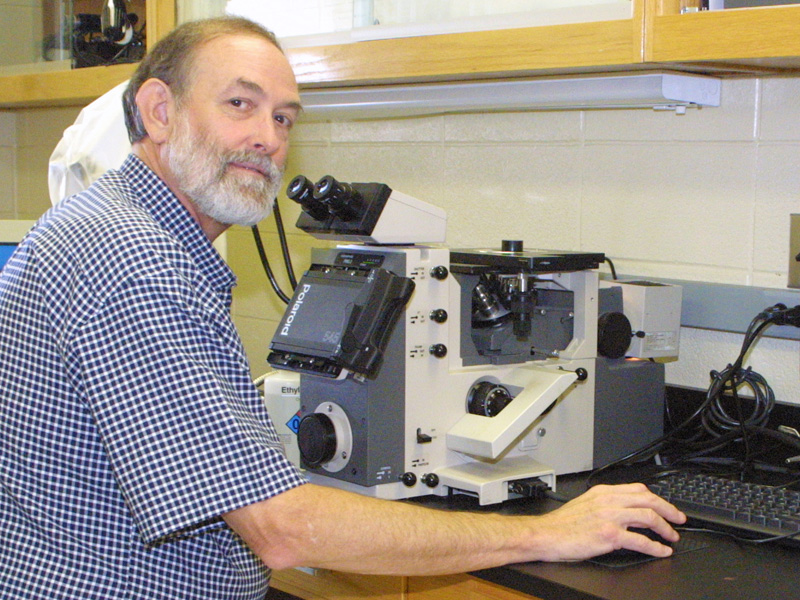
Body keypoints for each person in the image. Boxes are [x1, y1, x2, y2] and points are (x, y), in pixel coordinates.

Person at [0, 16, 686, 600]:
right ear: (159, 111)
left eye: (283, 117)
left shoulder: (100, 225)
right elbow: (283, 527)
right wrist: (547, 531)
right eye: (239, 105)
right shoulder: (138, 264)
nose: (268, 138)